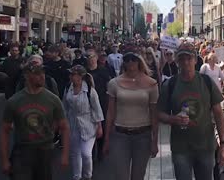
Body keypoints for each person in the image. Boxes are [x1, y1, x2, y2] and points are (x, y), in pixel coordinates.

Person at [158, 43, 224, 180]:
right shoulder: (170, 84)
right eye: (182, 59)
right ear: (177, 61)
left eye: (189, 58)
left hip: (205, 146)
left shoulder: (206, 82)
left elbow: (219, 114)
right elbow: (159, 114)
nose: (185, 62)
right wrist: (173, 119)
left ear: (196, 60)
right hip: (181, 148)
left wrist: (223, 144)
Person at [0, 62, 70, 180]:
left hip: (45, 150)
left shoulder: (53, 99)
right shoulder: (14, 101)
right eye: (37, 73)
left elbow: (64, 126)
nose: (42, 76)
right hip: (22, 151)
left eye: (43, 72)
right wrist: (5, 160)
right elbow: (4, 131)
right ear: (27, 76)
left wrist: (65, 155)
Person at [103, 50, 159, 180]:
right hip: (120, 135)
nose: (130, 62)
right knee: (121, 175)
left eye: (133, 59)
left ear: (139, 61)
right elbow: (110, 112)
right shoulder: (114, 83)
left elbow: (154, 113)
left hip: (142, 135)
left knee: (138, 176)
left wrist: (154, 141)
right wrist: (106, 139)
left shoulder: (151, 84)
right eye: (127, 60)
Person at [63, 65, 104, 180]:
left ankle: (87, 175)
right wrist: (64, 122)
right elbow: (64, 106)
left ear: (80, 76)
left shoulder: (90, 91)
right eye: (70, 74)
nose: (70, 76)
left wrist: (99, 126)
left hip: (88, 124)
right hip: (73, 124)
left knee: (86, 153)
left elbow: (97, 109)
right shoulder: (68, 88)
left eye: (73, 74)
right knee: (75, 153)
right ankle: (76, 176)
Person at [86, 51, 112, 161]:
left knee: (101, 125)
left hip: (102, 101)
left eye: (93, 57)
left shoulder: (103, 71)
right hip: (87, 104)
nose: (91, 59)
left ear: (96, 58)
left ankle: (101, 149)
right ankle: (90, 151)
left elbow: (109, 84)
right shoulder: (85, 73)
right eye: (89, 57)